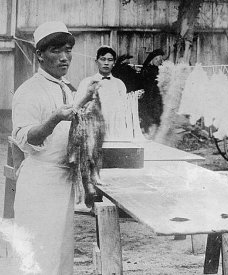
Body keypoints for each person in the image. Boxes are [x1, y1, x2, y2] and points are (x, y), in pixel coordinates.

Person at [11, 21, 95, 274]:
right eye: (56, 51)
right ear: (39, 55)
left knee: (60, 254)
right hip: (40, 183)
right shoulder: (29, 91)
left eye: (68, 50)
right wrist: (54, 118)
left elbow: (71, 134)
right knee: (39, 254)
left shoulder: (67, 89)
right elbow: (25, 139)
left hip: (63, 181)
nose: (64, 58)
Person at [76, 46, 133, 141]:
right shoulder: (86, 82)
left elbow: (124, 110)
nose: (106, 63)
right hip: (92, 131)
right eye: (103, 59)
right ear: (96, 61)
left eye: (110, 60)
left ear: (114, 63)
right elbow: (77, 107)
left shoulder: (119, 84)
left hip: (115, 132)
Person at [139, 48, 165, 135]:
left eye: (160, 59)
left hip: (157, 96)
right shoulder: (147, 69)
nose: (158, 61)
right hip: (148, 96)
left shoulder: (161, 70)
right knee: (148, 115)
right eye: (156, 59)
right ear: (151, 60)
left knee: (158, 115)